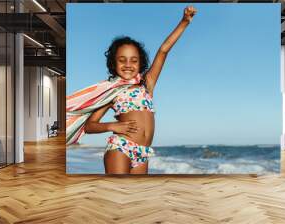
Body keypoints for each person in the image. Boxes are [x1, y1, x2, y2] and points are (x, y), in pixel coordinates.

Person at [67, 6, 197, 174]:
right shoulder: (113, 92)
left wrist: (184, 22)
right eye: (122, 60)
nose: (128, 65)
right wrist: (114, 126)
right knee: (119, 195)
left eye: (133, 60)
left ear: (140, 63)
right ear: (114, 64)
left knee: (136, 197)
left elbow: (163, 50)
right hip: (121, 148)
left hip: (142, 153)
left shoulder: (147, 83)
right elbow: (90, 126)